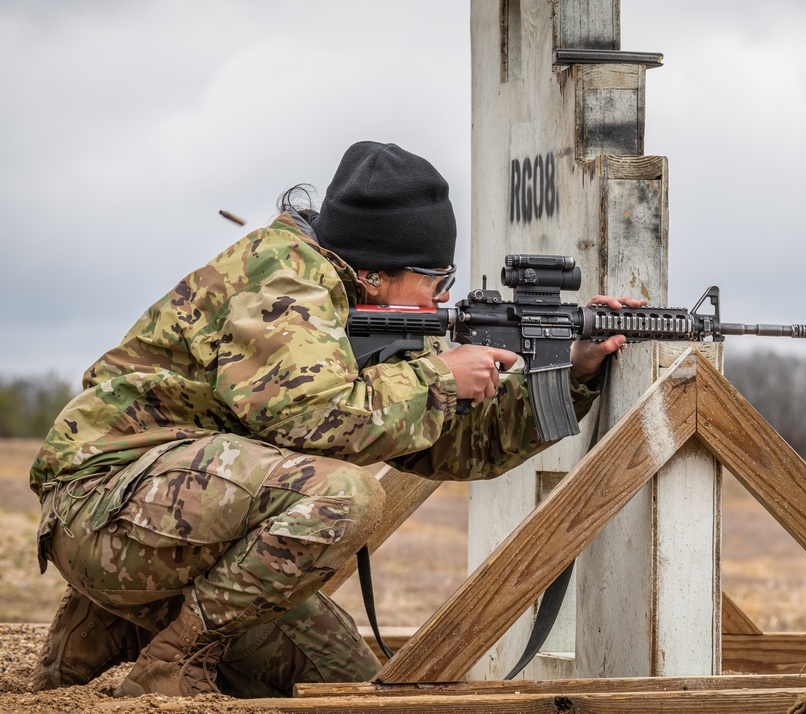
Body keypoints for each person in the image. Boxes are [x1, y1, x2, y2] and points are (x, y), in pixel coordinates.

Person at [28, 141, 643, 698]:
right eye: (436, 279)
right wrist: (438, 378)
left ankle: (104, 631)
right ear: (377, 272)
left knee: (342, 682)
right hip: (102, 506)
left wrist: (572, 373)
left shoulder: (372, 313)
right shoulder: (284, 280)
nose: (442, 298)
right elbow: (314, 417)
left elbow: (450, 446)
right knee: (345, 495)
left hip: (166, 525)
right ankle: (173, 659)